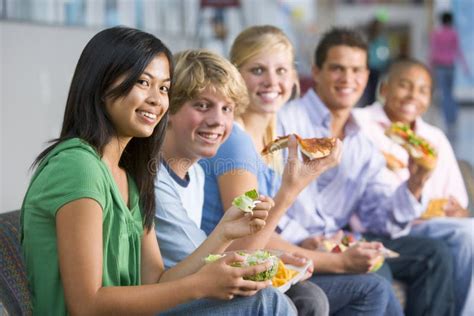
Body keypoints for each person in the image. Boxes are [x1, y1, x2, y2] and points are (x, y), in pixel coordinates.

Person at [20, 26, 294, 315]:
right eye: (142, 82)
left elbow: (158, 280)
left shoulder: (130, 173)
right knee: (267, 302)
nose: (157, 99)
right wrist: (202, 284)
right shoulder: (78, 167)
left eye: (164, 88)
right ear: (101, 85)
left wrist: (225, 232)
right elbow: (86, 304)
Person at [199, 25, 403, 316]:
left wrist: (305, 250)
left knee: (373, 283)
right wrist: (339, 262)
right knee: (370, 288)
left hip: (255, 263)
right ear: (235, 76)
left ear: (294, 77)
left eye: (281, 71)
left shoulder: (271, 136)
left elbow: (264, 235)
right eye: (258, 70)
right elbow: (246, 241)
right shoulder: (235, 141)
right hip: (224, 273)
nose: (272, 81)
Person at [276, 27, 455, 316]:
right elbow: (265, 195)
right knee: (376, 275)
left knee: (436, 254)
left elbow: (380, 219)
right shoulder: (286, 121)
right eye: (337, 69)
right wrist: (304, 238)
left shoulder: (363, 142)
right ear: (316, 72)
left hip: (341, 241)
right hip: (295, 245)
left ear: (367, 78)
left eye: (357, 70)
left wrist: (416, 181)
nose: (348, 79)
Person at [154, 48, 326, 316]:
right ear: (169, 109)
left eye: (227, 109)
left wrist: (273, 260)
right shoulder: (154, 178)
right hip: (166, 300)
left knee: (309, 297)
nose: (218, 121)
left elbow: (201, 257)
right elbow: (187, 274)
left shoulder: (196, 173)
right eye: (202, 105)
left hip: (185, 289)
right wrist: (287, 193)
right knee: (272, 302)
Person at [353, 58, 473, 316]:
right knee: (466, 236)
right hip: (376, 226)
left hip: (429, 227)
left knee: (469, 232)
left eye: (422, 90)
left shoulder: (434, 138)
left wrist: (458, 212)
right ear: (384, 89)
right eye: (405, 86)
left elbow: (459, 206)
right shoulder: (359, 124)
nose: (412, 96)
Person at [430, 11, 469, 139]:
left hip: (440, 66)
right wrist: (465, 67)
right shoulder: (453, 33)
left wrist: (430, 68)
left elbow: (433, 51)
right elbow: (458, 51)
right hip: (451, 66)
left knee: (444, 93)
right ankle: (453, 117)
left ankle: (448, 119)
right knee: (450, 93)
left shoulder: (437, 34)